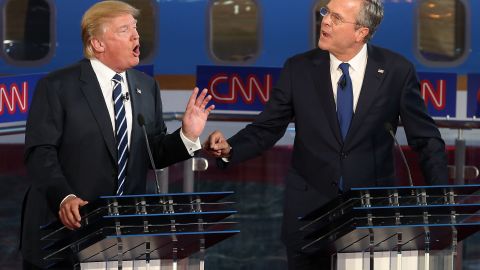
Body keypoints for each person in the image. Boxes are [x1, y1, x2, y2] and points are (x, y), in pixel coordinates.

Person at [204, 0, 448, 269]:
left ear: (361, 32)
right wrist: (230, 149)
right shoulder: (298, 69)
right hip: (308, 219)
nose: (326, 21)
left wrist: (442, 202)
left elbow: (426, 139)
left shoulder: (396, 71)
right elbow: (267, 128)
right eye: (325, 13)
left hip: (371, 222)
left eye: (336, 17)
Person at [20, 1, 214, 269]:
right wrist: (64, 197)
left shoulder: (146, 87)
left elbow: (154, 152)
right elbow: (40, 152)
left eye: (135, 28)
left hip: (122, 239)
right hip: (63, 234)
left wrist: (187, 135)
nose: (137, 36)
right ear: (98, 43)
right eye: (125, 30)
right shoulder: (57, 86)